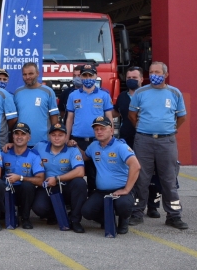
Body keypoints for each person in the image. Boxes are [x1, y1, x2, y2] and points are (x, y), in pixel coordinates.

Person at [128, 61, 188, 230]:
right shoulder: (141, 92)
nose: (154, 74)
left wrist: (170, 129)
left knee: (169, 179)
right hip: (144, 140)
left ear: (165, 74)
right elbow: (132, 114)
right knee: (141, 178)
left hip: (166, 141)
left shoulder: (174, 93)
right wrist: (142, 128)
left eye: (157, 72)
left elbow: (182, 117)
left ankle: (174, 216)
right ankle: (137, 213)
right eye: (152, 71)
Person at [114, 67, 161, 218]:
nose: (131, 80)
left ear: (142, 79)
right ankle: (134, 206)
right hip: (127, 141)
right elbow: (115, 113)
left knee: (151, 174)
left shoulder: (149, 95)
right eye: (128, 77)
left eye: (134, 77)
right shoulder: (122, 96)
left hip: (147, 141)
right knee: (132, 173)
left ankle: (153, 206)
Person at [81, 117, 140, 235]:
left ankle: (124, 220)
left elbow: (136, 166)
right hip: (102, 191)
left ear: (112, 131)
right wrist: (73, 145)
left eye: (102, 129)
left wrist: (126, 189)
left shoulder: (121, 146)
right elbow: (83, 157)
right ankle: (108, 219)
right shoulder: (93, 146)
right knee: (87, 212)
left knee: (123, 205)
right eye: (96, 129)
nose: (99, 131)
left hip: (121, 190)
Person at [32, 122, 88, 233]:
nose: (57, 138)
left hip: (66, 186)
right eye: (54, 135)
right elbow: (25, 154)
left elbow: (80, 171)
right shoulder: (40, 146)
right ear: (49, 136)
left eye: (60, 135)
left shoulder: (72, 150)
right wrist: (11, 146)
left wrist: (57, 179)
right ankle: (53, 215)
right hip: (47, 187)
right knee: (39, 208)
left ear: (66, 137)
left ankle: (75, 220)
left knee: (80, 183)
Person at [66, 64, 113, 195]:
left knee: (95, 173)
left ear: (96, 76)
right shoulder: (73, 95)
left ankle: (94, 201)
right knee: (76, 173)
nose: (87, 78)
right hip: (77, 140)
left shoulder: (104, 95)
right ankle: (74, 202)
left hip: (97, 140)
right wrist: (67, 138)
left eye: (90, 75)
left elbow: (109, 118)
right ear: (80, 77)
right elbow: (70, 118)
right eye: (85, 75)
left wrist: (110, 137)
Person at [1, 123, 45, 229]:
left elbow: (40, 180)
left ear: (28, 138)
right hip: (6, 190)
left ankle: (25, 218)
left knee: (28, 186)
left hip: (23, 193)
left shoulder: (34, 155)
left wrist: (20, 178)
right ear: (12, 136)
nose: (19, 137)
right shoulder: (3, 153)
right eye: (16, 133)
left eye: (23, 134)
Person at [13, 62, 60, 147]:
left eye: (31, 73)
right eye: (24, 74)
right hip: (22, 143)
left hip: (43, 142)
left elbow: (54, 116)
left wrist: (54, 137)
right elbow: (13, 119)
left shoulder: (48, 92)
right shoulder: (17, 92)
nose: (27, 77)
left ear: (38, 73)